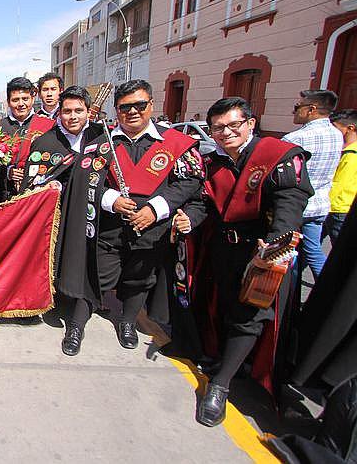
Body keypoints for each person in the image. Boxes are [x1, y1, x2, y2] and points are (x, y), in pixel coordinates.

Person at [174, 96, 313, 427]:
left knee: (249, 316)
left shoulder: (277, 157)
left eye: (233, 125)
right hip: (223, 251)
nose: (225, 133)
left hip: (263, 253)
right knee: (221, 308)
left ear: (251, 123)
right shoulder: (214, 163)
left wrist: (275, 244)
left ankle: (219, 387)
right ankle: (229, 363)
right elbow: (203, 202)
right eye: (218, 128)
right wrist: (189, 220)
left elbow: (290, 203)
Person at [92, 79, 203, 352]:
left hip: (152, 230)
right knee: (100, 274)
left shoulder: (176, 143)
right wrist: (111, 199)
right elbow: (89, 180)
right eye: (124, 107)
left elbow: (190, 183)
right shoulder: (102, 142)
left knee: (139, 280)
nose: (132, 112)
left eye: (140, 105)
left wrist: (156, 209)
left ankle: (128, 321)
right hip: (110, 229)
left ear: (151, 105)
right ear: (116, 110)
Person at [21, 86, 105, 354]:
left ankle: (76, 326)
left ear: (88, 112)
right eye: (66, 111)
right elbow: (29, 187)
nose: (72, 116)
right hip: (55, 222)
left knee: (85, 269)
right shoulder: (44, 143)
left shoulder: (103, 141)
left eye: (78, 110)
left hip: (91, 220)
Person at [283, 89, 342, 281]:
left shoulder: (295, 139)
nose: (294, 112)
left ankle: (288, 300)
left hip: (295, 208)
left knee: (285, 255)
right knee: (313, 251)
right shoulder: (337, 134)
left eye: (297, 107)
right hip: (319, 205)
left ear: (311, 109)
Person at [0, 77, 54, 202]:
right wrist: (8, 172)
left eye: (25, 99)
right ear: (8, 101)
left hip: (37, 196)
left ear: (33, 99)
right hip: (3, 197)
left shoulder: (49, 126)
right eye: (15, 100)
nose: (21, 104)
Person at [326, 109, 357, 245]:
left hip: (338, 208)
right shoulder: (344, 149)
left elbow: (339, 184)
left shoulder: (352, 154)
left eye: (335, 128)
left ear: (350, 128)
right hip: (336, 207)